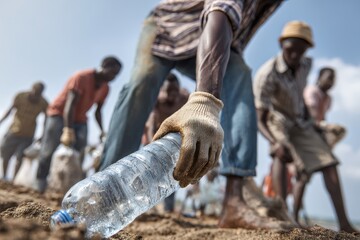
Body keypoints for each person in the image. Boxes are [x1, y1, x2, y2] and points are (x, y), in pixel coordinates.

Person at [100, 0, 293, 230]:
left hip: (209, 40)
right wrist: (205, 102)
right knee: (141, 84)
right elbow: (220, 12)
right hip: (169, 26)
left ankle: (234, 201)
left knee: (239, 74)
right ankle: (106, 192)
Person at [254, 20, 358, 232]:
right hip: (276, 119)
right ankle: (284, 215)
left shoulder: (306, 64)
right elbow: (260, 118)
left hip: (299, 121)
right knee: (281, 152)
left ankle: (345, 223)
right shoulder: (267, 74)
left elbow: (300, 99)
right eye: (291, 49)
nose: (295, 55)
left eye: (300, 51)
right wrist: (274, 142)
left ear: (306, 51)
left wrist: (313, 124)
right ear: (281, 44)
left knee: (329, 162)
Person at [34, 56, 122, 193]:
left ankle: (70, 187)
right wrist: (68, 130)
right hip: (59, 114)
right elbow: (70, 105)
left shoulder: (105, 88)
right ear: (103, 66)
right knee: (48, 150)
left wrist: (102, 130)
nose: (113, 77)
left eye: (116, 75)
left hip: (81, 119)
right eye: (112, 72)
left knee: (79, 152)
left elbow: (98, 111)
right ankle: (40, 183)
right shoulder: (81, 77)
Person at [142, 72, 189, 213]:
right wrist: (152, 148)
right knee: (150, 175)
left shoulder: (185, 99)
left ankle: (168, 209)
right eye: (169, 91)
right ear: (162, 91)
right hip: (153, 141)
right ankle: (148, 208)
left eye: (175, 90)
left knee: (173, 175)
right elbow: (150, 125)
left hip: (173, 144)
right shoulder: (157, 102)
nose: (172, 94)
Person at [0, 82, 48, 180]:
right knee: (5, 155)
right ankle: (4, 177)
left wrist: (43, 134)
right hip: (14, 130)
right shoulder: (20, 96)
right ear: (31, 90)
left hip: (28, 134)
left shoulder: (43, 103)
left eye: (38, 94)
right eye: (35, 93)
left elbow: (46, 119)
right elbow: (10, 110)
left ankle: (13, 180)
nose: (36, 96)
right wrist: (1, 121)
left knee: (20, 157)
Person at [304, 67, 346, 148]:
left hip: (318, 128)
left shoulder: (328, 98)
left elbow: (322, 117)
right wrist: (327, 126)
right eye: (329, 78)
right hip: (305, 125)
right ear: (319, 78)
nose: (331, 82)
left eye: (333, 79)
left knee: (340, 131)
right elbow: (312, 116)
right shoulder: (312, 91)